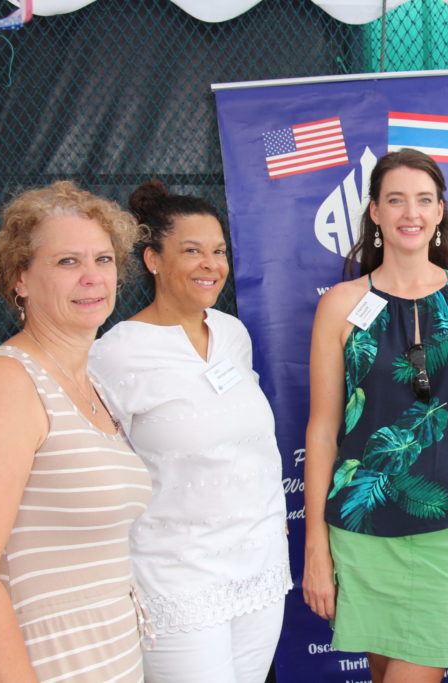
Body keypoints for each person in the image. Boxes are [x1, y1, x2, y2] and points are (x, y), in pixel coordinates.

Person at [303, 148, 448, 682]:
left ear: (439, 211)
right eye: (396, 200)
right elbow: (323, 432)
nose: (411, 213)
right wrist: (315, 548)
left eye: (424, 200)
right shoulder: (340, 304)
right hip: (362, 530)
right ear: (375, 211)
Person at [0, 181, 151, 681]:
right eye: (67, 261)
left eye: (103, 259)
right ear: (21, 279)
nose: (92, 277)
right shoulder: (2, 383)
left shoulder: (91, 385)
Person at [89, 180, 290, 683]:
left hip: (259, 565)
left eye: (218, 251)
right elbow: (98, 469)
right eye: (192, 250)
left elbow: (247, 440)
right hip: (175, 577)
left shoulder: (232, 333)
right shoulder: (116, 353)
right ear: (153, 259)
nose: (211, 264)